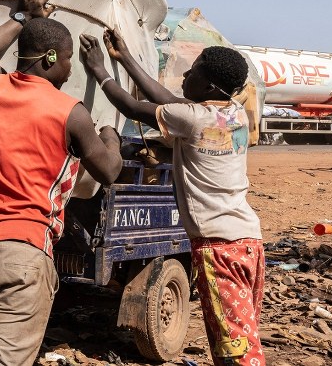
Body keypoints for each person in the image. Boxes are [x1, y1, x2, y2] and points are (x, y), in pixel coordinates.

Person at [0, 0, 123, 366]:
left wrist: (24, 16)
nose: (71, 70)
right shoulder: (70, 111)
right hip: (24, 250)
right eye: (70, 60)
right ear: (54, 58)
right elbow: (108, 172)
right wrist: (111, 137)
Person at [80, 32, 265, 366]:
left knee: (235, 346)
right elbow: (166, 99)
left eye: (192, 72)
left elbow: (133, 106)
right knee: (238, 334)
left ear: (209, 88)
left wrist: (99, 69)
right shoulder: (235, 114)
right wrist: (124, 57)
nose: (184, 75)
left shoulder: (192, 119)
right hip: (247, 240)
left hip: (219, 246)